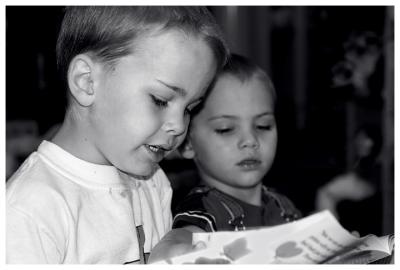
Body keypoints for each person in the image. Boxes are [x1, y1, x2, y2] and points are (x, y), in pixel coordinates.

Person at [6, 6, 228, 264]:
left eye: (190, 108)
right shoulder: (29, 211)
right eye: (160, 100)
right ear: (86, 81)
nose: (179, 126)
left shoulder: (153, 182)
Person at [171, 54, 302, 233]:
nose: (250, 141)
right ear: (187, 143)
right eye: (225, 129)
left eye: (263, 126)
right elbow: (181, 243)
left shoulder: (284, 207)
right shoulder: (201, 217)